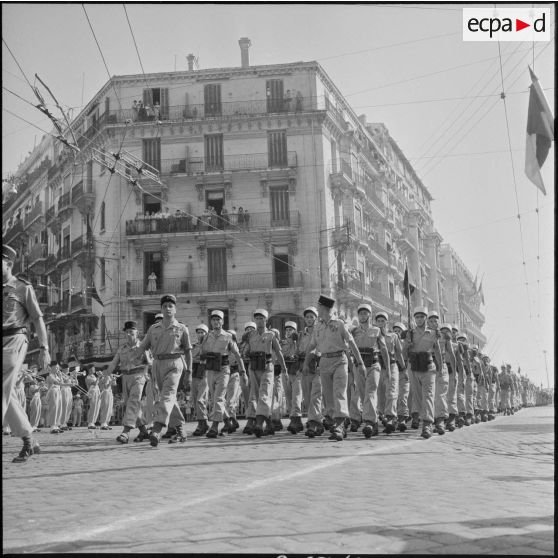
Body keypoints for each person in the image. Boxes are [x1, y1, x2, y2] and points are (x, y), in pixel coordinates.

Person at [3, 244, 50, 462]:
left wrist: (44, 348)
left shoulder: (22, 287)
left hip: (15, 339)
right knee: (8, 393)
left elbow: (38, 319)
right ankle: (29, 439)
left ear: (9, 264)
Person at [303, 295, 366, 442]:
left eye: (318, 307)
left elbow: (351, 343)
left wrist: (360, 363)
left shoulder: (339, 324)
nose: (317, 309)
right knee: (328, 396)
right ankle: (334, 420)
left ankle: (340, 424)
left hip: (339, 360)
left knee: (339, 393)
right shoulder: (318, 326)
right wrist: (306, 363)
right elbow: (311, 346)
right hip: (324, 361)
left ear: (324, 308)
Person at [133, 294, 192, 447]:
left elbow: (188, 351)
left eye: (170, 306)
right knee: (168, 398)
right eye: (164, 306)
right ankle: (180, 430)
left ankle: (157, 429)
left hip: (175, 363)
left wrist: (189, 373)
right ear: (161, 309)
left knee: (167, 395)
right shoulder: (153, 328)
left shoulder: (182, 328)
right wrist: (134, 359)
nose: (167, 309)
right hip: (158, 364)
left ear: (175, 309)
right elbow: (142, 347)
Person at [200, 310, 245, 438]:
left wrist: (243, 371)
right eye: (213, 319)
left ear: (222, 321)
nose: (215, 322)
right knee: (215, 399)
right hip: (210, 369)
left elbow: (237, 354)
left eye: (218, 319)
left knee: (218, 398)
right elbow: (202, 353)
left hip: (223, 369)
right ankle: (228, 421)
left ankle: (214, 427)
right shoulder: (207, 336)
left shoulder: (228, 336)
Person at [106, 320, 151, 443]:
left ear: (137, 333)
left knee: (133, 402)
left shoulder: (142, 347)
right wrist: (105, 375)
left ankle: (125, 432)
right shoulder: (122, 349)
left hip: (138, 377)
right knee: (131, 405)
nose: (128, 334)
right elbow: (113, 364)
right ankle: (143, 430)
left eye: (131, 332)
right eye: (126, 332)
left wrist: (146, 373)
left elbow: (149, 362)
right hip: (125, 378)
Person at [402, 307, 443, 439]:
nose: (419, 319)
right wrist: (406, 345)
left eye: (422, 317)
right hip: (413, 367)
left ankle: (427, 424)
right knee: (417, 397)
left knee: (428, 396)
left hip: (428, 367)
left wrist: (440, 368)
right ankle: (420, 417)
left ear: (426, 318)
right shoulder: (410, 333)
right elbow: (404, 353)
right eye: (417, 317)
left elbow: (437, 351)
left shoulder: (433, 333)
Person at [244, 308, 287, 437]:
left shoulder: (271, 335)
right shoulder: (250, 335)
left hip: (267, 366)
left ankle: (258, 424)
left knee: (264, 394)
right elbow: (245, 352)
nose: (259, 320)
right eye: (256, 318)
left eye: (261, 318)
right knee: (257, 397)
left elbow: (278, 352)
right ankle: (269, 423)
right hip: (253, 366)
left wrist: (284, 368)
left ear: (266, 320)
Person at [350, 304, 388, 438]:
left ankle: (370, 422)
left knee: (370, 392)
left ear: (370, 315)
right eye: (360, 313)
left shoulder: (377, 330)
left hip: (373, 364)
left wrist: (388, 369)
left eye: (365, 313)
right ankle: (373, 419)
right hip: (359, 366)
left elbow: (383, 350)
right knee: (362, 393)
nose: (363, 316)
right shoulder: (353, 331)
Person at [375, 311, 403, 434]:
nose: (381, 323)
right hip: (377, 366)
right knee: (380, 395)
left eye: (383, 321)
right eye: (378, 321)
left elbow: (399, 353)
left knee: (391, 392)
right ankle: (383, 415)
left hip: (391, 366)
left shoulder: (393, 336)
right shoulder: (372, 335)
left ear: (387, 322)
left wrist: (403, 369)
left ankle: (391, 417)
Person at [297, 307, 324, 437]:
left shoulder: (321, 331)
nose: (309, 319)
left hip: (318, 367)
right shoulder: (301, 334)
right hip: (305, 368)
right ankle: (317, 421)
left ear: (316, 318)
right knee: (307, 398)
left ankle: (313, 423)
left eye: (311, 317)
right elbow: (299, 350)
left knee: (315, 396)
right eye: (307, 317)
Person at [427, 311, 453, 436]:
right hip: (427, 365)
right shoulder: (423, 334)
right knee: (428, 395)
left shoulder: (444, 336)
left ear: (438, 322)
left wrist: (454, 371)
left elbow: (451, 354)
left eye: (435, 321)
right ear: (428, 322)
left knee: (440, 394)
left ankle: (440, 421)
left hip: (441, 365)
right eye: (431, 321)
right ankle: (429, 421)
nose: (433, 323)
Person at [281, 321, 304, 434]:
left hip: (297, 372)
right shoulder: (282, 343)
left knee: (296, 396)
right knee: (289, 396)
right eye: (287, 330)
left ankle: (296, 418)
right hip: (286, 372)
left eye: (291, 330)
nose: (289, 332)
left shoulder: (299, 341)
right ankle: (292, 418)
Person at [190, 324, 210, 436]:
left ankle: (204, 422)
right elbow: (190, 358)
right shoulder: (193, 346)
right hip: (194, 372)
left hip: (204, 373)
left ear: (206, 334)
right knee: (195, 399)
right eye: (198, 332)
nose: (200, 334)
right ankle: (201, 423)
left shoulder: (210, 345)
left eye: (202, 332)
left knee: (200, 399)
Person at [393, 322, 410, 432]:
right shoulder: (390, 341)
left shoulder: (407, 343)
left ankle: (402, 419)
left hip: (404, 372)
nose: (397, 332)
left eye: (399, 330)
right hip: (393, 371)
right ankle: (392, 418)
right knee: (393, 396)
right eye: (395, 330)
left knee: (403, 396)